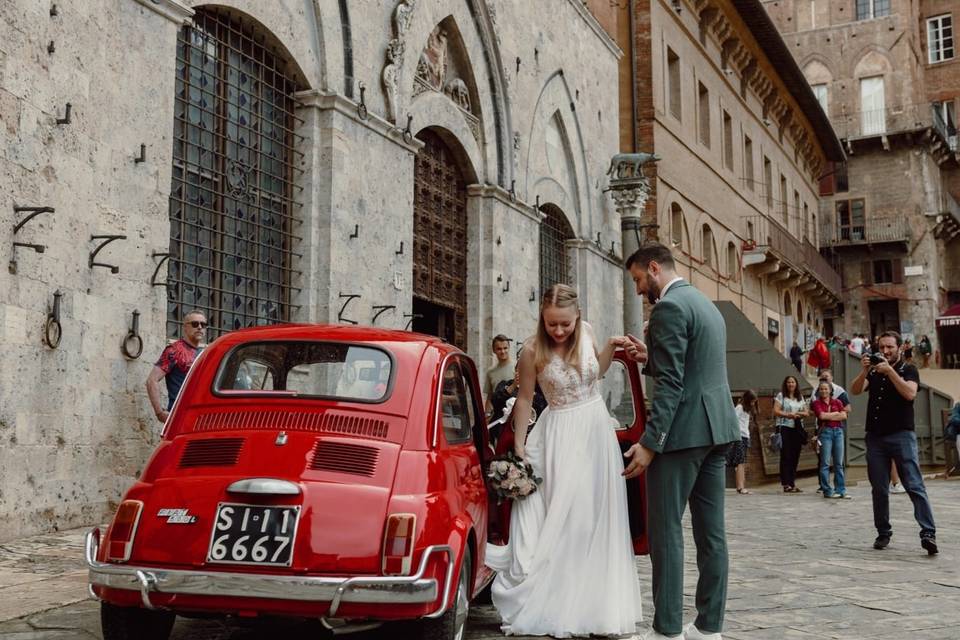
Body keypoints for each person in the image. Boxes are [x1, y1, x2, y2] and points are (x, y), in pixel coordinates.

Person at [485, 284, 643, 638]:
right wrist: (521, 445)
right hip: (558, 434)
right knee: (567, 518)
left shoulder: (586, 333)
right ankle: (560, 604)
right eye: (552, 324)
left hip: (596, 431)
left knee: (595, 517)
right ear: (542, 318)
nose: (558, 331)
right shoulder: (531, 350)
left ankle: (594, 607)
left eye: (565, 324)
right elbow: (525, 400)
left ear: (578, 318)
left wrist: (611, 347)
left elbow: (595, 374)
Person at [621, 243, 739, 640]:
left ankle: (667, 630)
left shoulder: (668, 308)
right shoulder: (706, 304)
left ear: (653, 268)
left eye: (638, 279)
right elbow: (693, 365)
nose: (639, 290)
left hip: (682, 435)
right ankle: (709, 628)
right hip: (718, 431)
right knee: (712, 535)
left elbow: (673, 383)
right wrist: (648, 357)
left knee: (665, 531)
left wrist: (651, 443)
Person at [851, 331, 938, 555]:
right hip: (876, 437)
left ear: (899, 348)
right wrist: (864, 370)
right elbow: (855, 390)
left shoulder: (908, 369)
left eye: (890, 347)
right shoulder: (875, 369)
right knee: (879, 488)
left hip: (901, 435)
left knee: (914, 485)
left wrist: (890, 372)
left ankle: (928, 532)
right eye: (882, 347)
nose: (886, 351)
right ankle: (883, 532)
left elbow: (910, 394)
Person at [146, 310, 207, 423]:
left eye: (203, 324)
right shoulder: (174, 350)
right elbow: (151, 380)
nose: (199, 327)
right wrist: (160, 413)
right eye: (195, 324)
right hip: (179, 417)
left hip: (201, 417)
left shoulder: (206, 353)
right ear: (185, 327)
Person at [811, 380, 849, 499]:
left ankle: (841, 490)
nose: (824, 391)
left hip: (838, 432)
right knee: (825, 463)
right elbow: (821, 416)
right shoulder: (816, 403)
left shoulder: (837, 401)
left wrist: (831, 415)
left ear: (830, 390)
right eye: (821, 389)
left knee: (839, 463)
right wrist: (836, 413)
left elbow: (844, 415)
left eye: (826, 389)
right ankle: (827, 490)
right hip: (825, 433)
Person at [774, 375, 809, 493]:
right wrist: (788, 415)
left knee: (795, 455)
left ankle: (792, 482)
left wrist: (799, 414)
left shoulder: (800, 397)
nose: (791, 384)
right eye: (789, 382)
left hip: (797, 427)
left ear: (796, 384)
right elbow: (776, 411)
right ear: (786, 384)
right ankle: (786, 483)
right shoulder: (781, 396)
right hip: (785, 427)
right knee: (786, 455)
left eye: (793, 382)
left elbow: (806, 412)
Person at [728, 391, 757, 495]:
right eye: (752, 401)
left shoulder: (747, 410)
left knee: (742, 461)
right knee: (740, 461)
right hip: (739, 437)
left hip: (745, 437)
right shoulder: (739, 407)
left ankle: (742, 486)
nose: (753, 404)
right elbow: (733, 420)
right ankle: (740, 487)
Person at [483, 334, 514, 414]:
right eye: (499, 349)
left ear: (509, 348)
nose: (503, 351)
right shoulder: (490, 372)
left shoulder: (518, 367)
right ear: (494, 350)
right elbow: (489, 397)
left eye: (505, 348)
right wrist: (487, 416)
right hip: (497, 415)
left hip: (515, 413)